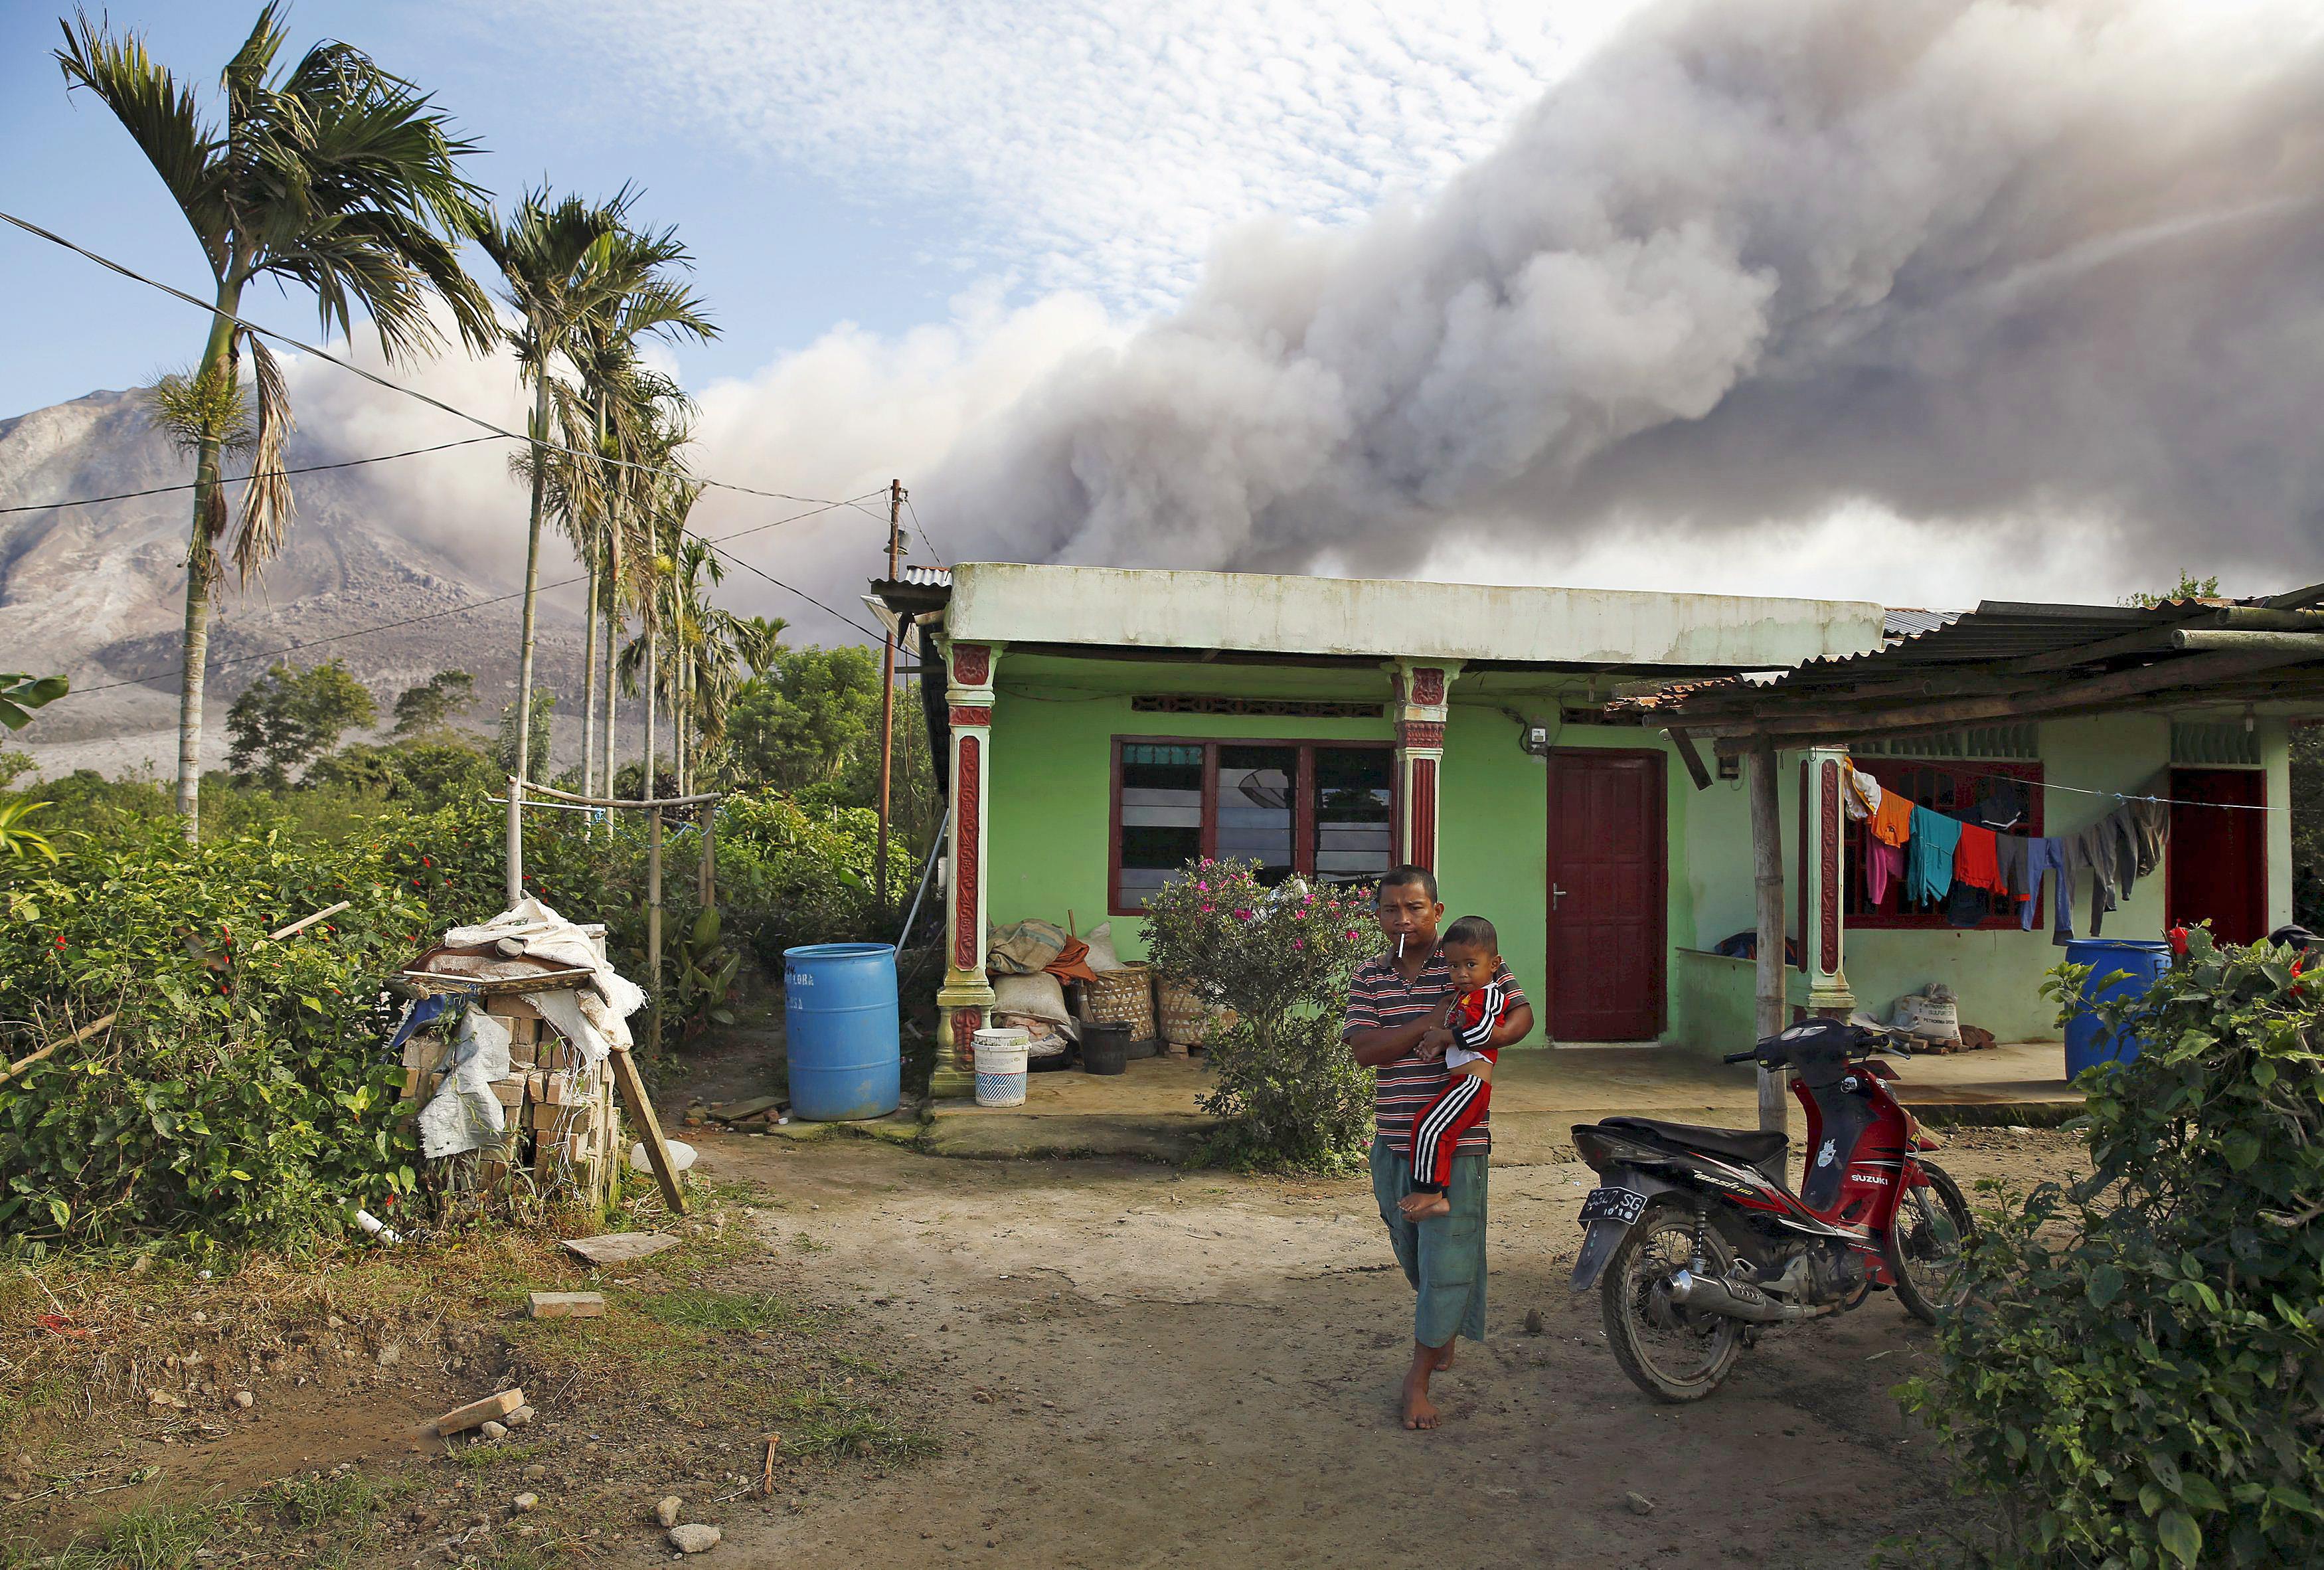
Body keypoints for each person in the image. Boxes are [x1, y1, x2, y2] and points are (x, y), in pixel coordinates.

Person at [1341, 867, 1534, 1431]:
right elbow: (1365, 1051)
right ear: (1377, 916)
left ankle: (1418, 1378)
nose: (1404, 918)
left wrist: (1473, 1038)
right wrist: (1430, 1022)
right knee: (1414, 1254)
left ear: (1437, 909)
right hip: (1394, 1140)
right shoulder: (1368, 977)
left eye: (1416, 907)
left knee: (1448, 1258)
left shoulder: (1465, 960)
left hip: (1460, 1144)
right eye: (1391, 909)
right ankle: (1441, 1325)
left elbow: (1520, 1016)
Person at [1396, 916, 1521, 1223]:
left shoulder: (1491, 994)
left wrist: (1446, 1037)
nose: (1461, 974)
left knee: (1430, 1127)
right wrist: (1435, 1045)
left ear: (1494, 964)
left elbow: (1485, 1034)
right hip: (1460, 1081)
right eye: (1454, 966)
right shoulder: (1463, 998)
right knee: (1432, 1129)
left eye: (1470, 965)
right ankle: (1436, 1197)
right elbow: (1456, 1035)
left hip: (1473, 1084)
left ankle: (1431, 1193)